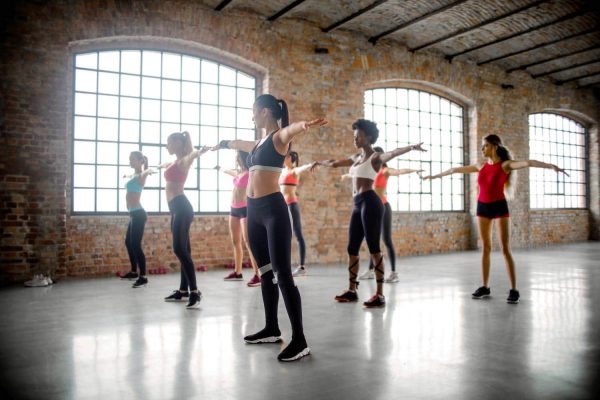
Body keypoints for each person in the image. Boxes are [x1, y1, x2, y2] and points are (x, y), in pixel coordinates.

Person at [213, 94, 326, 362]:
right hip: (253, 212)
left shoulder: (277, 138)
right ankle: (271, 328)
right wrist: (223, 143)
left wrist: (303, 125)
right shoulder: (258, 143)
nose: (252, 116)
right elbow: (240, 143)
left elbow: (289, 130)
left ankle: (300, 340)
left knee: (282, 275)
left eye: (254, 111)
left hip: (273, 212)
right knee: (265, 272)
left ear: (265, 112)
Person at [422, 134, 568, 304]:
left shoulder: (505, 165)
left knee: (505, 249)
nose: (482, 149)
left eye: (485, 146)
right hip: (482, 207)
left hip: (499, 207)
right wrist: (434, 177)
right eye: (482, 146)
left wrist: (551, 166)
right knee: (486, 248)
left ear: (494, 146)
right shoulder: (481, 166)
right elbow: (455, 169)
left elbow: (528, 162)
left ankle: (514, 290)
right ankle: (485, 286)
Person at [312, 119, 426, 308]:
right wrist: (319, 162)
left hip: (371, 203)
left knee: (374, 248)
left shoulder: (375, 157)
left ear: (369, 137)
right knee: (352, 248)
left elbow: (393, 153)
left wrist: (411, 147)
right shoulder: (356, 157)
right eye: (354, 135)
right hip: (357, 204)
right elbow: (334, 163)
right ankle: (352, 290)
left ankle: (379, 294)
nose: (355, 138)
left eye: (358, 135)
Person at [342, 146, 422, 283]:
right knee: (373, 241)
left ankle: (394, 273)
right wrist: (347, 175)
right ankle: (371, 271)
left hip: (383, 207)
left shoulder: (385, 170)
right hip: (370, 208)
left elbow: (399, 171)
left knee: (386, 239)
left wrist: (414, 170)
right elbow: (357, 174)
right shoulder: (370, 170)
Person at [161, 131, 210, 309]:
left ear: (178, 143)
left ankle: (194, 291)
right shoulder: (175, 162)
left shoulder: (183, 161)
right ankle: (183, 290)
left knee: (179, 249)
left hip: (182, 208)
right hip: (176, 209)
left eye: (169, 142)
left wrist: (199, 152)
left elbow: (191, 155)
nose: (167, 146)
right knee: (184, 250)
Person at [216, 151, 261, 287]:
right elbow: (229, 172)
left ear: (244, 158)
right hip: (233, 209)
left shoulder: (251, 173)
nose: (237, 160)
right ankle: (237, 272)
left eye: (238, 158)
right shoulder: (239, 173)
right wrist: (220, 168)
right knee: (236, 242)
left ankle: (258, 275)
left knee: (249, 242)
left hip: (245, 210)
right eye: (236, 159)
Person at [120, 151, 154, 288]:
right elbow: (133, 176)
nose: (130, 161)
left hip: (139, 214)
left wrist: (148, 170)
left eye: (132, 159)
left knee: (135, 245)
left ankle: (143, 277)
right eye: (129, 159)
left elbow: (146, 172)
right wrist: (127, 176)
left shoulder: (141, 175)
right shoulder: (134, 175)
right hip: (133, 214)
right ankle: (134, 272)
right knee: (128, 242)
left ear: (140, 161)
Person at [279, 151, 313, 277]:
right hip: (282, 206)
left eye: (285, 156)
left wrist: (311, 165)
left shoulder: (294, 171)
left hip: (292, 205)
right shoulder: (282, 171)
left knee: (298, 234)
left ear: (290, 158)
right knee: (282, 236)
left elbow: (303, 168)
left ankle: (301, 267)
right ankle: (282, 265)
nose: (283, 158)